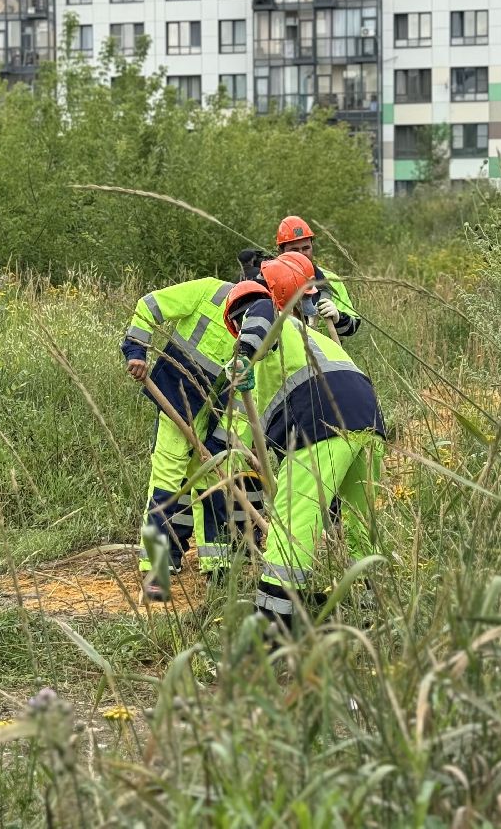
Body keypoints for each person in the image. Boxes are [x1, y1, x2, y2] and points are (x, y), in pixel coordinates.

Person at [223, 252, 386, 629]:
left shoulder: (267, 315)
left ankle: (271, 626)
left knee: (292, 522)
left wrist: (244, 355)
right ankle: (367, 604)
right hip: (369, 419)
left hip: (323, 420)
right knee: (362, 521)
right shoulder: (310, 337)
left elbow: (260, 314)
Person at [121, 277, 238, 599]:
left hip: (220, 414)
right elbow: (149, 305)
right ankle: (158, 569)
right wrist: (136, 350)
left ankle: (218, 568)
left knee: (213, 481)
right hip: (176, 401)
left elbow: (252, 391)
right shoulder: (208, 291)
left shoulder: (268, 322)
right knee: (167, 482)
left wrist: (219, 440)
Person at [273, 216, 362, 340]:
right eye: (294, 249)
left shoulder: (331, 280)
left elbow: (353, 326)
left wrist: (338, 317)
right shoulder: (270, 282)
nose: (301, 254)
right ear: (281, 251)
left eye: (306, 248)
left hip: (326, 358)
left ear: (312, 246)